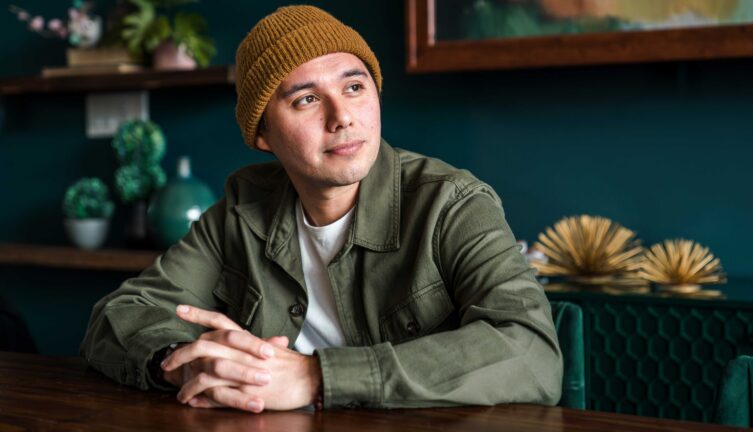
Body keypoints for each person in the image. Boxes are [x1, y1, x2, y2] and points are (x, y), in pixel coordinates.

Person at [81, 5, 563, 413]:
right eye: (307, 99)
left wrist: (316, 378)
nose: (343, 117)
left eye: (354, 87)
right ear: (264, 135)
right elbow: (120, 315)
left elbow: (532, 352)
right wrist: (188, 361)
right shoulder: (241, 211)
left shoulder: (453, 204)